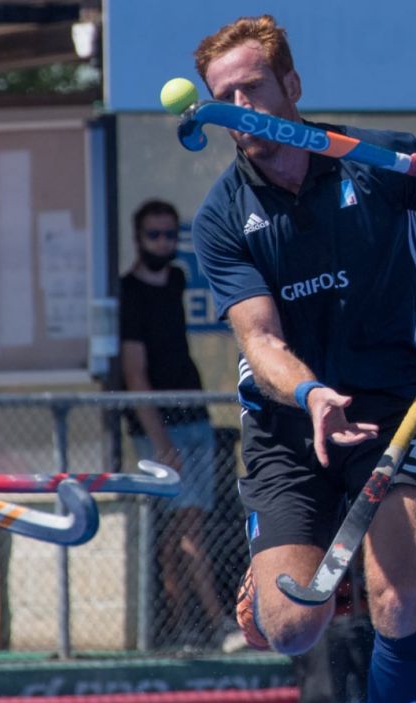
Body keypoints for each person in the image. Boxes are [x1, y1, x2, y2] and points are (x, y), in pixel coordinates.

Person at [190, 14, 416, 703]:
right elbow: (260, 340)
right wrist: (313, 394)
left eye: (253, 87)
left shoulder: (378, 161)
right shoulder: (221, 217)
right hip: (291, 420)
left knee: (398, 602)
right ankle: (292, 579)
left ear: (292, 84)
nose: (241, 109)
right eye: (224, 98)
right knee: (290, 627)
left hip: (396, 404)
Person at [119, 198, 241, 652]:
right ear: (138, 238)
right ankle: (218, 623)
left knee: (179, 531)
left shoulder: (176, 279)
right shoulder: (127, 291)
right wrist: (159, 440)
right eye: (154, 235)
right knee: (187, 526)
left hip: (194, 415)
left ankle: (179, 626)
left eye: (171, 235)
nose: (164, 243)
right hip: (159, 425)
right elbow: (135, 373)